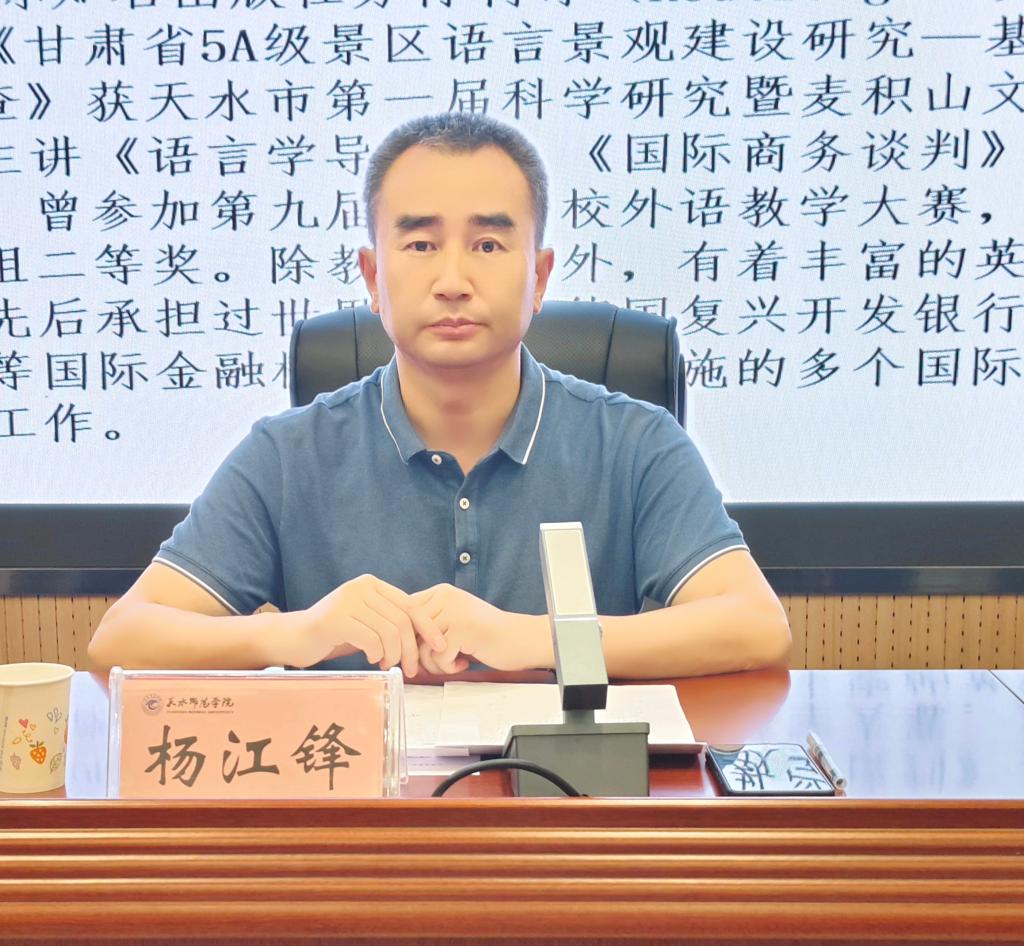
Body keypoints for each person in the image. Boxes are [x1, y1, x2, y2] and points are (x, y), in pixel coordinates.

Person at [88, 113, 791, 680]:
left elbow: (756, 627)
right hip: (358, 808)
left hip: (569, 807)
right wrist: (299, 634)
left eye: (488, 245)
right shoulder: (288, 453)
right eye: (421, 245)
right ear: (373, 277)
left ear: (540, 277)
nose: (453, 281)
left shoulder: (637, 443)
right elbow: (122, 638)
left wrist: (534, 638)